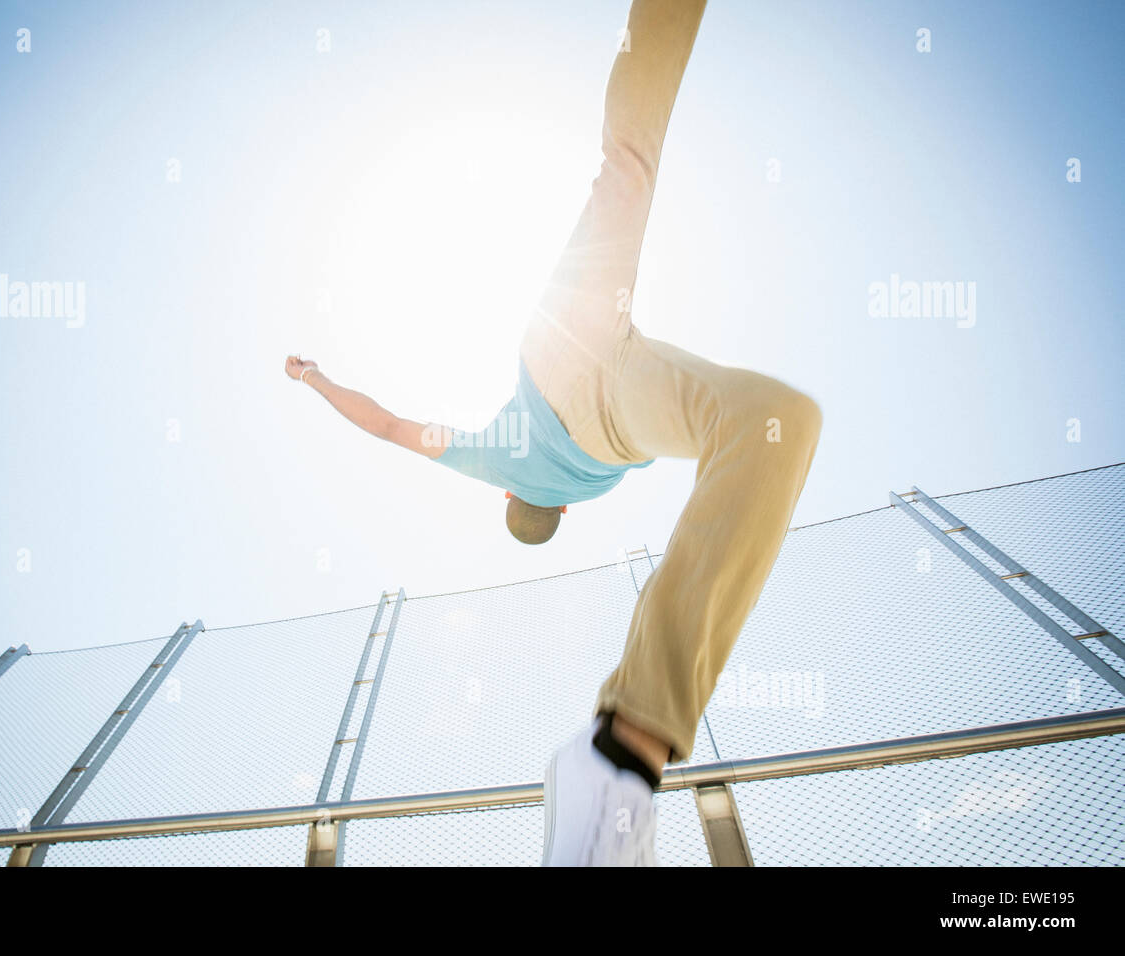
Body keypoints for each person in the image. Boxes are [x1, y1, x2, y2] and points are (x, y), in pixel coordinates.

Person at [286, 0, 822, 866]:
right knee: (626, 165)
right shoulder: (488, 457)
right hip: (574, 349)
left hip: (614, 409)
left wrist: (321, 389)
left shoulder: (591, 484)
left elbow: (386, 430)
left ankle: (628, 746)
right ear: (512, 497)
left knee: (776, 425)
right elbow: (390, 426)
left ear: (552, 511)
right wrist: (315, 378)